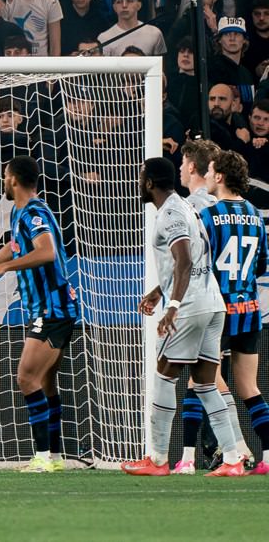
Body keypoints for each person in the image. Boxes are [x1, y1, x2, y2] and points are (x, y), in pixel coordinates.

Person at [120, 156, 249, 476]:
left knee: (164, 374)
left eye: (140, 177)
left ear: (149, 182)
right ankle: (233, 458)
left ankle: (158, 458)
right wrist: (159, 291)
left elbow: (183, 260)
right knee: (206, 384)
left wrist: (173, 304)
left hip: (190, 306)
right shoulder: (186, 207)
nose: (138, 183)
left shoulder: (172, 214)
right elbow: (194, 257)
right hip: (213, 304)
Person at [0, 156, 80, 472]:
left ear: (13, 180)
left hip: (53, 309)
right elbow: (15, 246)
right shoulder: (20, 212)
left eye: (5, 175)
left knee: (26, 377)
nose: (3, 180)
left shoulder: (34, 211)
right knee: (46, 383)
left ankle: (41, 458)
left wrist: (3, 269)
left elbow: (46, 251)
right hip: (48, 308)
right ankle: (54, 457)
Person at [200, 150, 268, 465]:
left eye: (211, 170)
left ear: (220, 177)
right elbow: (261, 265)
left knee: (205, 378)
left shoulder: (209, 216)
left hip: (218, 309)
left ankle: (237, 447)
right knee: (248, 385)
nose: (208, 175)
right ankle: (266, 450)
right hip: (250, 308)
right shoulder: (256, 214)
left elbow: (197, 264)